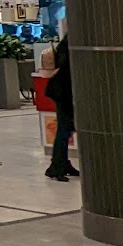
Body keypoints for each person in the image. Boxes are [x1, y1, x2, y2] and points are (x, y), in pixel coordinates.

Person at [45, 33, 78, 180]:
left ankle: (62, 163)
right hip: (64, 92)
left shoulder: (66, 44)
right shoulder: (71, 44)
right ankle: (57, 166)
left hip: (61, 92)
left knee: (65, 130)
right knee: (64, 130)